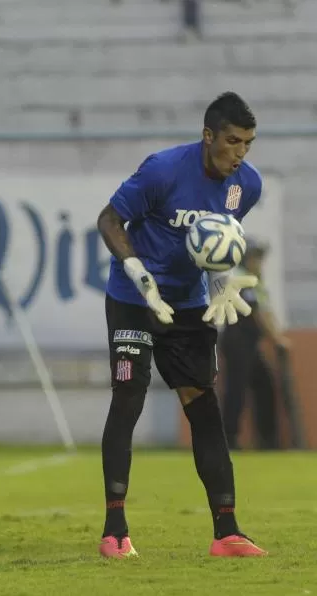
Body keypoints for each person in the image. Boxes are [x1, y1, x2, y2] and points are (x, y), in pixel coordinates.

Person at [95, 91, 267, 559]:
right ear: (208, 135)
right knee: (128, 395)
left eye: (248, 144)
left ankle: (227, 532)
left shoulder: (245, 187)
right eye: (232, 141)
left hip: (188, 305)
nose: (240, 153)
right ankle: (115, 531)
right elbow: (109, 220)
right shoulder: (163, 170)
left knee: (201, 401)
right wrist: (136, 271)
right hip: (135, 296)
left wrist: (222, 281)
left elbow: (215, 245)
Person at [220, 237, 290, 451]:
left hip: (249, 342)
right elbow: (257, 313)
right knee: (236, 390)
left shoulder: (254, 280)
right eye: (256, 257)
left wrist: (275, 333)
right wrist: (277, 339)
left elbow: (266, 311)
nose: (260, 262)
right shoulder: (241, 279)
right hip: (237, 340)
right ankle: (228, 440)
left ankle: (267, 439)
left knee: (264, 386)